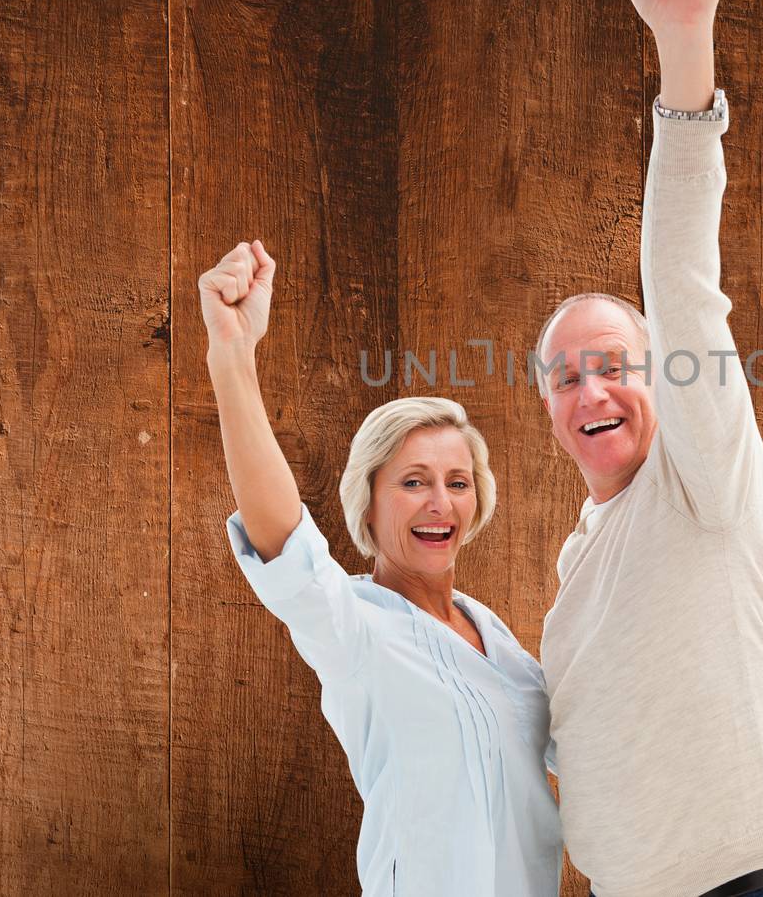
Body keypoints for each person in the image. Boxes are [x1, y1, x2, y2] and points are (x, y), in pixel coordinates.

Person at [535, 0, 763, 897]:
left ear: (666, 376)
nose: (591, 388)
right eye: (564, 376)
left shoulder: (705, 475)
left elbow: (681, 277)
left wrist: (681, 40)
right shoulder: (582, 555)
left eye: (613, 362)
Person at [200, 240, 562, 896]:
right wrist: (233, 354)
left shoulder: (500, 641)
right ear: (366, 502)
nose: (438, 501)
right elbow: (284, 539)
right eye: (413, 481)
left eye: (457, 480)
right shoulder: (355, 627)